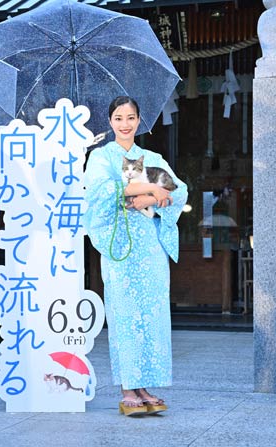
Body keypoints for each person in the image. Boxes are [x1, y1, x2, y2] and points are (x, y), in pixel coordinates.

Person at [83, 96, 188, 417]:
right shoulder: (101, 156)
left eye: (130, 117)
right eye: (118, 118)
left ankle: (145, 385)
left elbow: (179, 190)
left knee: (153, 314)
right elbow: (99, 190)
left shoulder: (152, 156)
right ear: (110, 122)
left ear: (139, 121)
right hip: (121, 247)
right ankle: (128, 386)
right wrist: (149, 191)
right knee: (125, 313)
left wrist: (152, 200)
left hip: (150, 246)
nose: (125, 124)